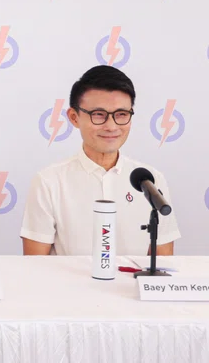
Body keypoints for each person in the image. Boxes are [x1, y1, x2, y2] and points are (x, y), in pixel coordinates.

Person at [21, 66, 180, 256]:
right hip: (68, 286)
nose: (111, 126)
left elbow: (163, 264)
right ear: (74, 117)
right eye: (98, 115)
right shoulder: (49, 181)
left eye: (121, 114)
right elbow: (35, 267)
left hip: (132, 286)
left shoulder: (151, 180)